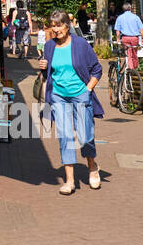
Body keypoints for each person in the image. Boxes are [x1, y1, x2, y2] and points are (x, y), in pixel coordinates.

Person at [36, 10, 103, 194]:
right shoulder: (49, 46)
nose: (56, 29)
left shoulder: (80, 44)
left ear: (67, 25)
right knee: (65, 137)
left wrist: (88, 88)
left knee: (85, 136)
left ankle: (92, 166)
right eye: (53, 25)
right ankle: (70, 180)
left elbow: (97, 69)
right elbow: (48, 72)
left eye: (59, 25)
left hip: (80, 94)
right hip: (58, 96)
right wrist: (43, 67)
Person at [114, 2, 143, 71]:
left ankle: (131, 70)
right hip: (134, 38)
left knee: (128, 54)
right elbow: (142, 29)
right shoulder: (136, 17)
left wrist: (118, 39)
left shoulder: (120, 18)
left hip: (125, 38)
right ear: (130, 8)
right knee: (134, 54)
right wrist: (142, 38)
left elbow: (118, 31)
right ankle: (135, 68)